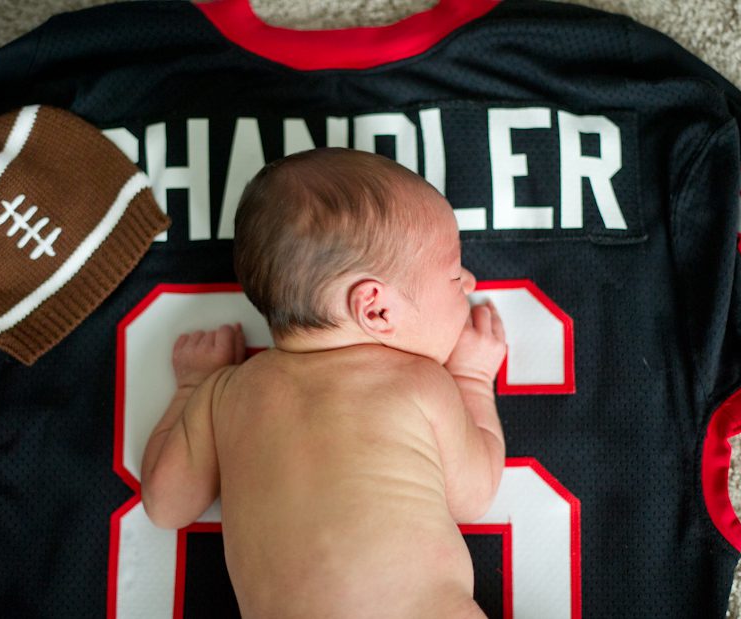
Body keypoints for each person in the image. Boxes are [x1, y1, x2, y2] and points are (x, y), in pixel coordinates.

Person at [140, 148, 507, 618]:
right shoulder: (420, 382)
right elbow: (474, 496)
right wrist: (472, 378)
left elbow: (166, 506)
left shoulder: (226, 394)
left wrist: (193, 387)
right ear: (375, 310)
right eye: (454, 273)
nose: (471, 282)